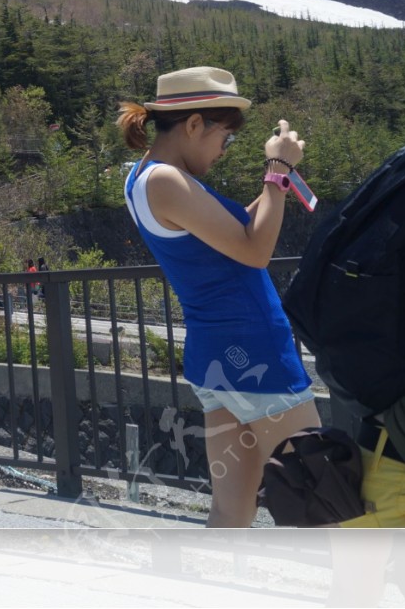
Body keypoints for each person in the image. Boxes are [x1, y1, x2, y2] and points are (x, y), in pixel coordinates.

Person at [117, 65, 314, 528]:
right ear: (192, 124)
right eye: (224, 138)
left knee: (232, 507)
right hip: (255, 352)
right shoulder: (166, 180)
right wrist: (277, 168)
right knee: (321, 489)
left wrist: (278, 184)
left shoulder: (145, 177)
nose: (224, 151)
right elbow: (255, 250)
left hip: (218, 359)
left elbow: (231, 234)